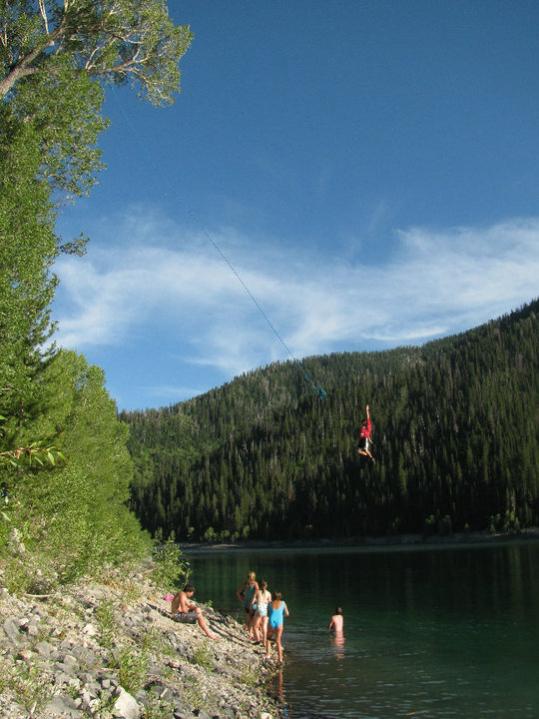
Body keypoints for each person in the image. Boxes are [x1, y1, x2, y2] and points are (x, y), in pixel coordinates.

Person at [265, 592, 289, 663]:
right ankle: (280, 659)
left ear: (273, 597)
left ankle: (268, 654)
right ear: (280, 597)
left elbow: (267, 614)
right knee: (278, 641)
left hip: (272, 622)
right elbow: (287, 614)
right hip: (279, 623)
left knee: (268, 639)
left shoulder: (269, 604)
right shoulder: (283, 603)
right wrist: (282, 616)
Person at [236, 571, 259, 637]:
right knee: (252, 618)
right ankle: (252, 632)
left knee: (248, 617)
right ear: (254, 577)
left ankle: (250, 633)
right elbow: (255, 594)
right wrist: (252, 602)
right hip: (253, 603)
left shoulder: (245, 583)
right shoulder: (255, 584)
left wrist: (242, 599)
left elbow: (238, 592)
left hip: (246, 602)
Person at [252, 579, 272, 644]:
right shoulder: (269, 593)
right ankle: (264, 641)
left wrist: (251, 606)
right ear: (266, 586)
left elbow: (253, 600)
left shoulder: (257, 592)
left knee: (255, 626)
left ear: (260, 586)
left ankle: (258, 640)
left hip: (259, 609)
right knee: (264, 626)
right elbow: (270, 603)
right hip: (265, 610)